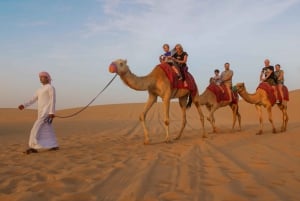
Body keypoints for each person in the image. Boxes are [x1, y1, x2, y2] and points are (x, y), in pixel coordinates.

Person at [18, 71, 59, 154]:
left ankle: (33, 147)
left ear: (47, 78)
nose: (41, 78)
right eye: (40, 77)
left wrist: (51, 112)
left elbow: (52, 100)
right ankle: (54, 145)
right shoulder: (39, 89)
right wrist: (24, 105)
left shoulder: (50, 87)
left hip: (46, 112)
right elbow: (33, 99)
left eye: (43, 77)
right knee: (47, 129)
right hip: (40, 112)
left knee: (35, 128)